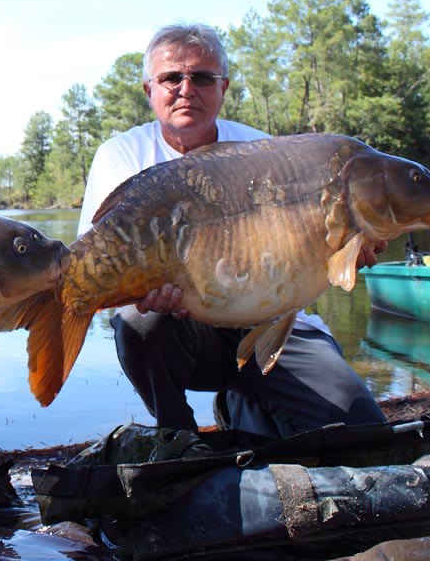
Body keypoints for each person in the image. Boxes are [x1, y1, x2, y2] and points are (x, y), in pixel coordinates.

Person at [78, 24, 386, 439]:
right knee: (138, 321)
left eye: (202, 77)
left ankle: (243, 401)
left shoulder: (265, 152)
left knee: (361, 430)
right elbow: (102, 257)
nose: (187, 89)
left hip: (273, 321)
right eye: (172, 78)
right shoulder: (123, 155)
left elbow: (310, 251)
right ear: (149, 89)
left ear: (223, 87)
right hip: (185, 331)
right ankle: (178, 438)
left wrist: (348, 249)